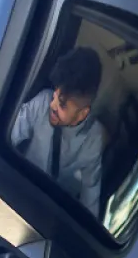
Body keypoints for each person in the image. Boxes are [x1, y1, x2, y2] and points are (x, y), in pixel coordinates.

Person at [10, 46, 105, 218]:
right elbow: (10, 133)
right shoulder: (41, 103)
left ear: (82, 113)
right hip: (23, 194)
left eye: (62, 104)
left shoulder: (94, 137)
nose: (52, 105)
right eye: (54, 95)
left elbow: (91, 191)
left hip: (55, 211)